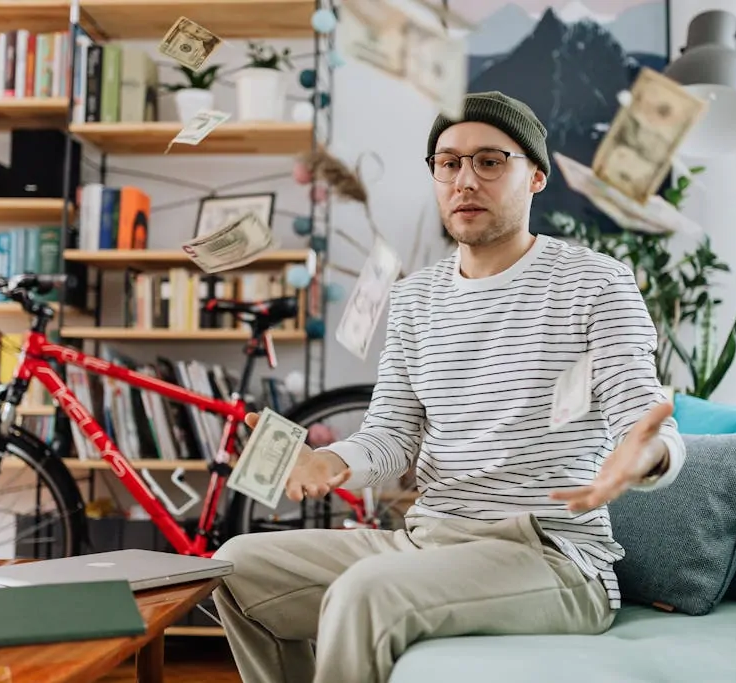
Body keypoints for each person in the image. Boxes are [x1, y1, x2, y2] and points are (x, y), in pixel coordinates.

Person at [212, 91, 686, 683]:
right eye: (449, 163)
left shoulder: (595, 283)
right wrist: (330, 460)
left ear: (535, 177)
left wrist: (643, 454)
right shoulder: (414, 298)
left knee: (366, 594)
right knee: (233, 567)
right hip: (427, 541)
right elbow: (389, 434)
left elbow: (644, 417)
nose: (465, 179)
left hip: (548, 556)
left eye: (490, 161)